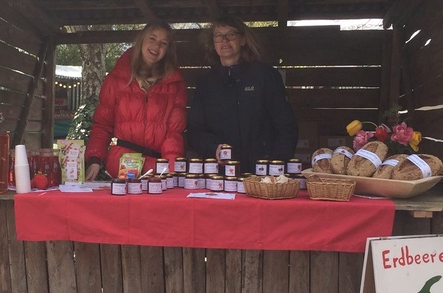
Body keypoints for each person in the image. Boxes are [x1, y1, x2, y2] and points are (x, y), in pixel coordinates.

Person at [186, 16, 298, 173]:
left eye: (231, 34)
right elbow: (195, 131)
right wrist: (213, 148)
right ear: (213, 43)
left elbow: (286, 127)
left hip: (264, 174)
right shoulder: (206, 84)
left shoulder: (266, 76)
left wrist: (275, 165)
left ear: (243, 40)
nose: (225, 40)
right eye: (219, 36)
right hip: (221, 174)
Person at [85, 22, 187, 180]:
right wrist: (94, 159)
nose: (156, 46)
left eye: (163, 43)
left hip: (156, 170)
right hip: (121, 165)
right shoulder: (116, 78)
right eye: (152, 39)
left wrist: (172, 171)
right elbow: (103, 124)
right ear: (141, 40)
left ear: (168, 50)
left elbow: (174, 133)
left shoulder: (174, 84)